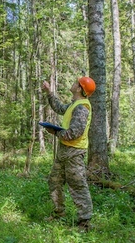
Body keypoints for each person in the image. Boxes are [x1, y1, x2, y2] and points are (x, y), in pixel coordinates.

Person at [41, 76, 96, 231]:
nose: (72, 83)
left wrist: (55, 132)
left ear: (79, 88)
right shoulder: (75, 104)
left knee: (78, 186)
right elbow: (59, 108)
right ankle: (59, 213)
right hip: (64, 151)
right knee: (54, 181)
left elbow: (75, 133)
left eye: (75, 83)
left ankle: (84, 224)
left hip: (74, 153)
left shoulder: (82, 107)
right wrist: (49, 92)